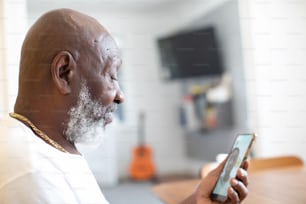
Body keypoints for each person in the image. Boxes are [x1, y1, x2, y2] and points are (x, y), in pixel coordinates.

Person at [0, 8, 249, 204]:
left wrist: (197, 199)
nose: (121, 96)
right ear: (64, 72)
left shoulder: (47, 146)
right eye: (111, 75)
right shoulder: (33, 176)